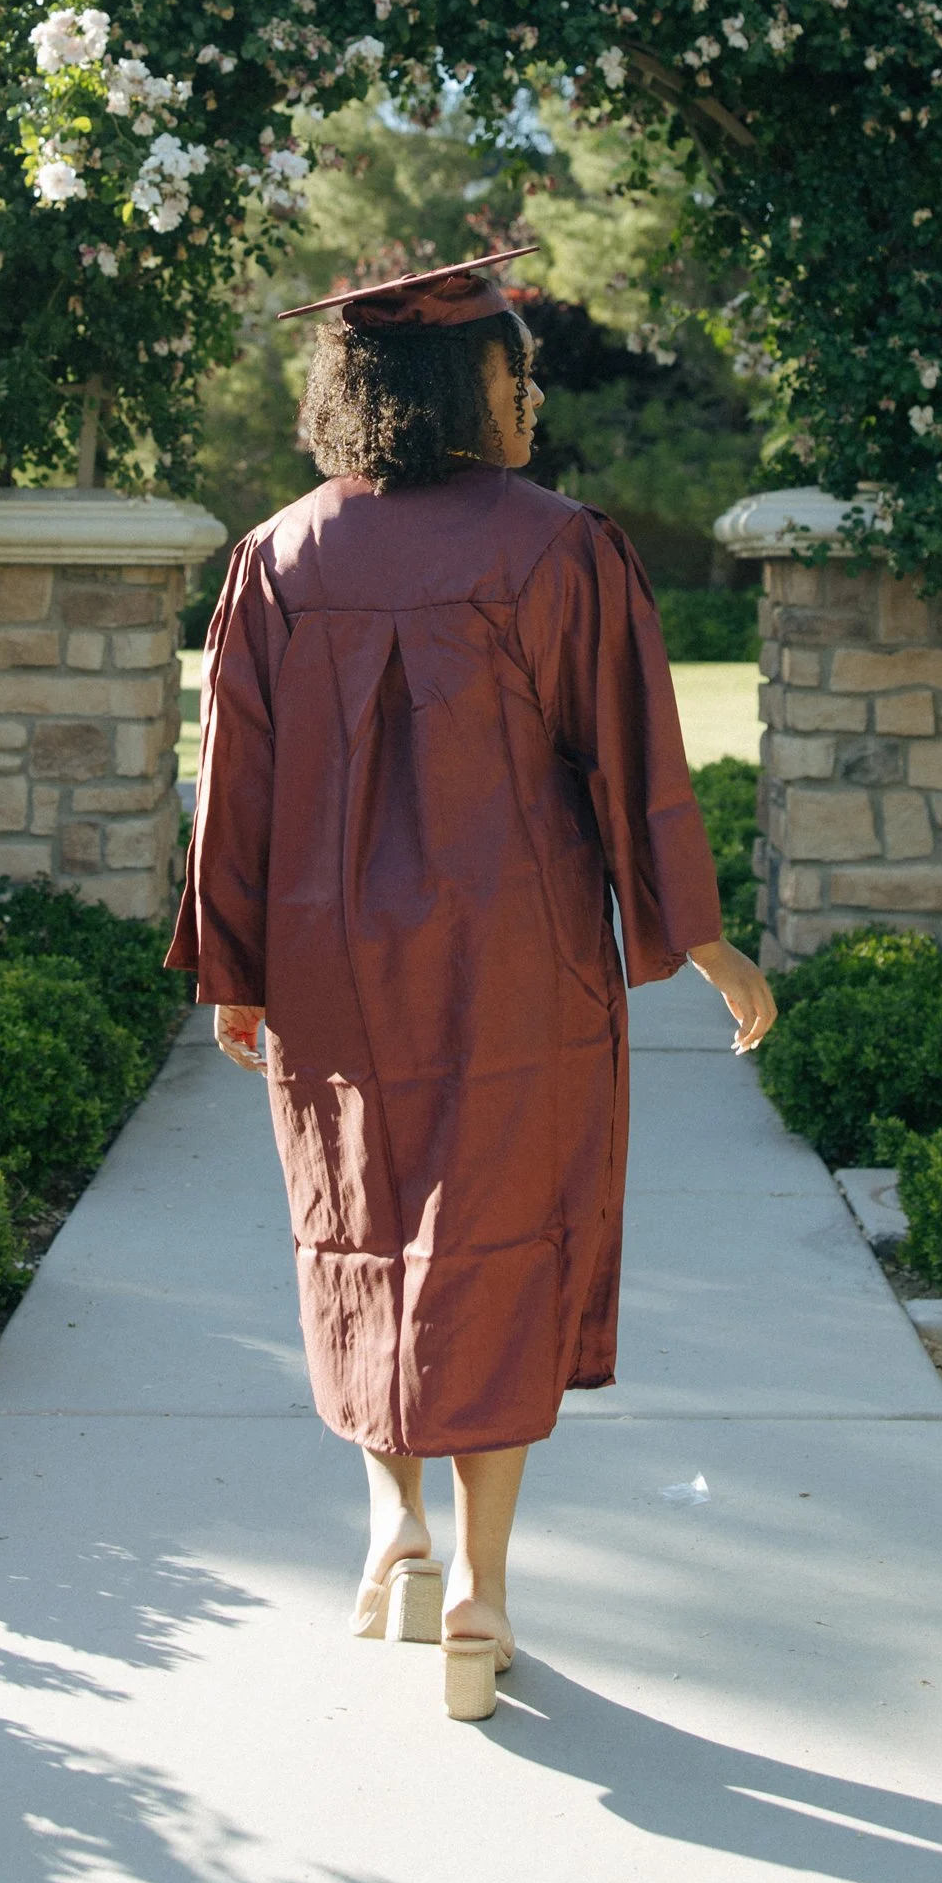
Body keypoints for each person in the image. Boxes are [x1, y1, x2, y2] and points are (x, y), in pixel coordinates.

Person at [167, 243, 777, 1721]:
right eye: (519, 366)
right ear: (463, 382)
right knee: (500, 1235)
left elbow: (230, 788)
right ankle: (487, 1592)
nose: (536, 391)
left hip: (328, 965)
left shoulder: (279, 556)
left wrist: (233, 972)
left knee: (357, 1223)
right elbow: (637, 764)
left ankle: (395, 1532)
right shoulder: (557, 547)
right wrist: (704, 939)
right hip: (521, 957)